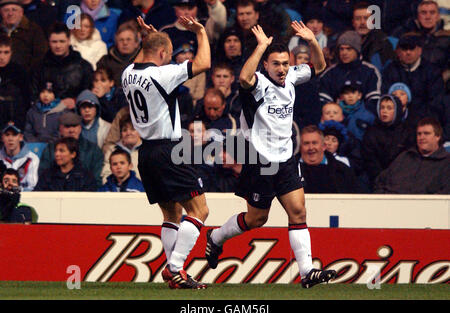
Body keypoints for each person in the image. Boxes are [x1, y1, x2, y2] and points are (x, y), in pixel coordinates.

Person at [204, 22, 337, 289]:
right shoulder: (257, 84)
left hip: (286, 158)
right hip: (260, 160)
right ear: (265, 64)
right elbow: (243, 78)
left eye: (285, 63)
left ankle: (307, 271)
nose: (282, 69)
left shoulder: (291, 77)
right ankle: (216, 237)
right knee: (256, 219)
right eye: (275, 63)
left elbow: (319, 67)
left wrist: (312, 42)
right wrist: (261, 46)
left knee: (298, 211)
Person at [121, 16, 211, 289]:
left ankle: (174, 272)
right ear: (162, 54)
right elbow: (204, 63)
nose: (169, 59)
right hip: (169, 150)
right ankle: (175, 268)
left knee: (171, 215)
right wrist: (201, 31)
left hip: (145, 153)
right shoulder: (162, 74)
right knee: (200, 211)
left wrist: (149, 37)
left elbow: (144, 54)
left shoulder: (127, 74)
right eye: (168, 55)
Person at [381, 33, 445, 128]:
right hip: (396, 123)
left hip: (423, 122)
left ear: (420, 51)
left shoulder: (432, 71)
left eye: (412, 49)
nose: (408, 52)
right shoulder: (390, 70)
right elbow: (385, 98)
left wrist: (416, 120)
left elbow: (436, 103)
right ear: (398, 52)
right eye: (404, 49)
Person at [374, 117, 450, 194]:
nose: (422, 137)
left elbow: (445, 193)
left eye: (426, 133)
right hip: (390, 202)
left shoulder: (446, 162)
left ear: (438, 136)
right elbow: (380, 181)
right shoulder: (405, 157)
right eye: (419, 134)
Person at [31, 22, 94, 110]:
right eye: (54, 42)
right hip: (47, 114)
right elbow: (33, 95)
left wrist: (76, 101)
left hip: (75, 115)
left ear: (69, 41)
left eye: (62, 41)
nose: (58, 46)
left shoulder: (84, 67)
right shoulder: (39, 67)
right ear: (48, 42)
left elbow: (90, 95)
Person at [318, 30, 382, 115]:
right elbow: (323, 103)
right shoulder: (329, 74)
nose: (344, 53)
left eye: (349, 49)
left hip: (362, 121)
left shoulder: (370, 71)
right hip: (335, 120)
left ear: (357, 51)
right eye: (341, 49)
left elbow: (373, 102)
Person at [362, 94, 416, 190]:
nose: (384, 111)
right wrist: (381, 178)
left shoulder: (407, 132)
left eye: (389, 108)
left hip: (402, 180)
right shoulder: (371, 133)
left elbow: (409, 159)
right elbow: (369, 160)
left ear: (397, 111)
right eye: (382, 107)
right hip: (377, 181)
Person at [38, 112, 104, 188]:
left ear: (80, 128)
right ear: (60, 129)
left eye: (74, 126)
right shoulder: (50, 149)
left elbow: (97, 179)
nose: (71, 130)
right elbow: (43, 175)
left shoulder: (93, 149)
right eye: (67, 127)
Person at [298, 125, 362, 194]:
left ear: (324, 146)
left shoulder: (343, 171)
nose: (311, 147)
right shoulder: (291, 171)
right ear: (300, 147)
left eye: (314, 143)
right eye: (306, 143)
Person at [392, 0, 449, 73]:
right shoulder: (407, 37)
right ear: (418, 17)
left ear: (438, 16)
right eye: (423, 13)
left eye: (432, 13)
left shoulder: (447, 38)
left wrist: (439, 80)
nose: (428, 17)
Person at [0, 0, 48, 73]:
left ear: (21, 12)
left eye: (14, 10)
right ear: (1, 13)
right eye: (6, 10)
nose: (10, 13)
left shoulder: (34, 30)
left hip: (25, 77)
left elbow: (40, 56)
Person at [352, 1, 395, 72]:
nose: (362, 22)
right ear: (353, 22)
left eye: (366, 18)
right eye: (358, 18)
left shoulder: (383, 43)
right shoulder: (344, 42)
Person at [96, 21, 141, 87]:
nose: (125, 43)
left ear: (136, 43)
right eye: (121, 40)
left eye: (128, 39)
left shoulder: (143, 60)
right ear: (116, 42)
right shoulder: (105, 61)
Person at [0, 33, 30, 130]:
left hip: (15, 125)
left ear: (11, 53)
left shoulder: (19, 73)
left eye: (6, 52)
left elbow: (26, 102)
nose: (2, 57)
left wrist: (17, 122)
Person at [101, 115, 142, 184]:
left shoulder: (147, 151)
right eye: (124, 130)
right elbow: (105, 175)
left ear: (140, 132)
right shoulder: (112, 151)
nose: (128, 133)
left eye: (132, 129)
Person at [0, 122, 39, 191]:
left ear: (20, 137)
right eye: (7, 135)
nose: (10, 139)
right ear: (2, 138)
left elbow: (32, 186)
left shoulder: (32, 158)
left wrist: (14, 189)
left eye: (14, 135)